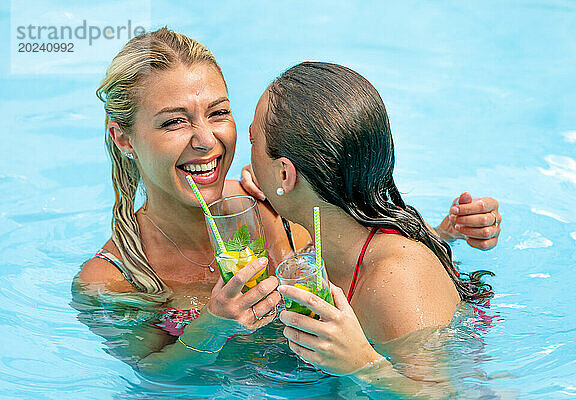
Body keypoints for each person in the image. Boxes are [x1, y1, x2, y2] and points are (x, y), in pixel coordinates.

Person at [73, 27, 501, 383]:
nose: (206, 141)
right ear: (124, 138)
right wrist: (213, 325)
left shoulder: (273, 205)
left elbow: (359, 249)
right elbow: (154, 377)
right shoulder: (110, 283)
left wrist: (440, 236)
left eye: (218, 113)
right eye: (174, 121)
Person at [246, 61, 499, 396]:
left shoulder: (396, 280)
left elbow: (441, 394)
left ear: (284, 174)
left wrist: (363, 364)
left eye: (253, 141)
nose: (248, 163)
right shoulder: (325, 247)